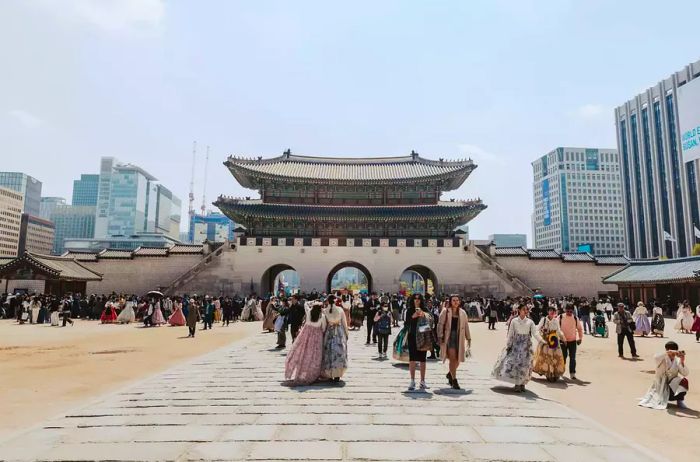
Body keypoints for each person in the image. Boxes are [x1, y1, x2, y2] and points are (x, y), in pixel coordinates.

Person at [492, 303, 543, 392]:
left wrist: (541, 340)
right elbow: (511, 334)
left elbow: (535, 333)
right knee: (517, 364)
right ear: (519, 310)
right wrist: (508, 344)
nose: (525, 311)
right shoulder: (514, 321)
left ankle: (522, 383)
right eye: (523, 309)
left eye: (526, 309)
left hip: (526, 345)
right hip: (517, 344)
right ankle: (517, 383)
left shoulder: (530, 322)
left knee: (526, 365)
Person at [639, 341, 690, 410]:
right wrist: (668, 352)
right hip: (660, 385)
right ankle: (662, 398)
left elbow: (685, 373)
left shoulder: (677, 360)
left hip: (671, 385)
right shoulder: (661, 357)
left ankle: (680, 400)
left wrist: (682, 361)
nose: (673, 354)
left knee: (683, 381)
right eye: (671, 351)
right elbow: (656, 357)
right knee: (657, 398)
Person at [285, 301, 326, 385]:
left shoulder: (309, 312)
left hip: (306, 335)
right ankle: (313, 374)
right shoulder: (322, 316)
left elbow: (305, 304)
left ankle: (301, 372)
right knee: (315, 356)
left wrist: (312, 302)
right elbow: (324, 328)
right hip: (317, 337)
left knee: (303, 354)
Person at [437, 294, 472, 390]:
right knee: (452, 358)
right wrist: (440, 336)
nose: (456, 302)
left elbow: (466, 325)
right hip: (449, 337)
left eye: (457, 300)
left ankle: (450, 374)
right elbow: (440, 324)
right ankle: (454, 380)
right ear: (450, 301)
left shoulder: (463, 312)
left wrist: (468, 338)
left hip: (459, 337)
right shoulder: (445, 311)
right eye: (453, 300)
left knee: (458, 359)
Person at [532, 306, 566, 382]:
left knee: (555, 357)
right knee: (546, 358)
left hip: (554, 340)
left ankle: (553, 373)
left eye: (553, 311)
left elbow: (558, 330)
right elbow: (537, 329)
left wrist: (563, 337)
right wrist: (541, 333)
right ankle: (548, 374)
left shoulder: (556, 320)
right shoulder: (543, 319)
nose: (552, 312)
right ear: (547, 311)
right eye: (550, 311)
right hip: (545, 341)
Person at [321, 296, 349, 382]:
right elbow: (344, 322)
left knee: (329, 352)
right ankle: (338, 374)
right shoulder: (340, 310)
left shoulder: (325, 311)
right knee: (339, 352)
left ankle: (329, 374)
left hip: (330, 331)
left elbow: (324, 325)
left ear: (328, 302)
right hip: (339, 332)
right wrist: (346, 333)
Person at [406, 293, 429, 390]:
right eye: (415, 299)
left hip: (423, 336)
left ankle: (422, 381)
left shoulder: (425, 310)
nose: (417, 300)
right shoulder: (409, 310)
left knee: (423, 359)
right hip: (412, 336)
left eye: (419, 299)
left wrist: (423, 315)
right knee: (412, 359)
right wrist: (413, 316)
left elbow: (431, 320)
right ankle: (412, 381)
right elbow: (406, 323)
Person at [560, 304, 583, 380]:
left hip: (572, 341)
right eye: (567, 311)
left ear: (573, 311)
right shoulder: (560, 317)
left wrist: (580, 338)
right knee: (563, 357)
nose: (569, 313)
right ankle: (561, 371)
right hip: (562, 341)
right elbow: (556, 328)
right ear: (565, 310)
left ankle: (572, 373)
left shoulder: (575, 318)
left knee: (572, 358)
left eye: (571, 311)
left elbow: (579, 329)